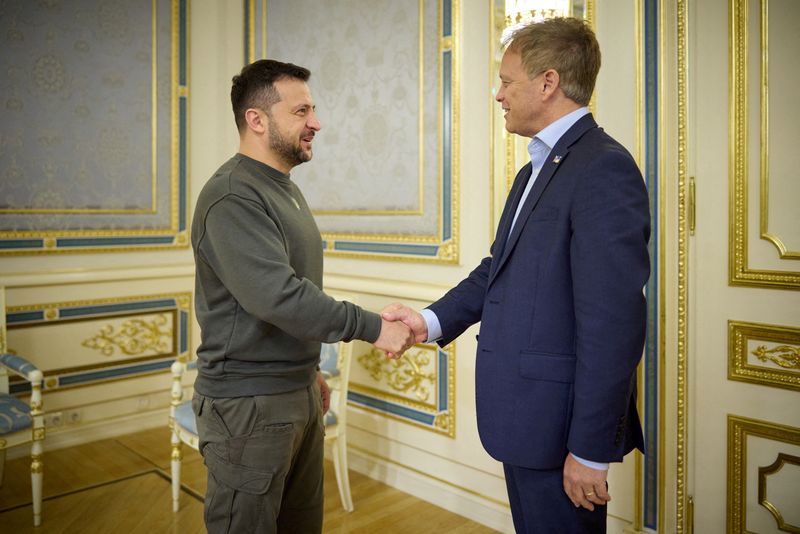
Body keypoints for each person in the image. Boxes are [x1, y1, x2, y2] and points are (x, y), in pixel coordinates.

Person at [382, 17, 650, 533]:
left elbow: (613, 324)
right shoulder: (535, 169)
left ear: (547, 83)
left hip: (560, 426)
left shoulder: (603, 168)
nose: (497, 94)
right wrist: (427, 322)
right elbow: (497, 270)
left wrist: (590, 450)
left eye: (506, 81)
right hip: (526, 417)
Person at [190, 59, 414, 534]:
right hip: (248, 407)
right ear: (256, 119)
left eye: (312, 109)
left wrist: (308, 371)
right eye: (301, 111)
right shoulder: (232, 195)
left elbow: (292, 290)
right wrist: (374, 327)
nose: (316, 122)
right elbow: (279, 297)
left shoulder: (282, 189)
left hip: (295, 395)